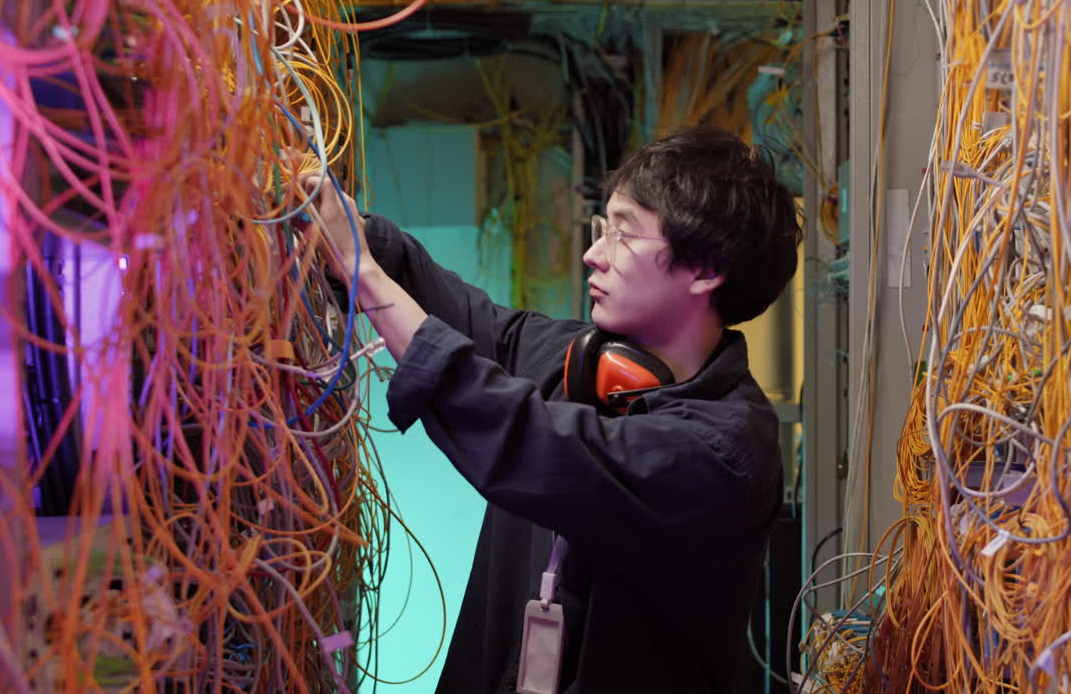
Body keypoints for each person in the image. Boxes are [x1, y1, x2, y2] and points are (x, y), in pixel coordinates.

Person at [304, 126, 802, 693]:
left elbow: (529, 441)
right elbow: (470, 319)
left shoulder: (723, 452)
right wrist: (357, 234)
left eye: (623, 234)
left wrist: (362, 272)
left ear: (707, 270)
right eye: (601, 228)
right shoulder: (587, 363)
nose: (593, 254)